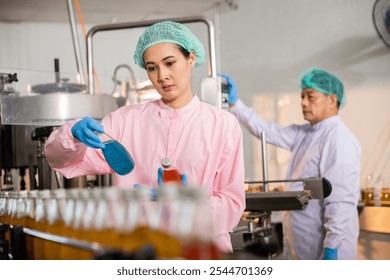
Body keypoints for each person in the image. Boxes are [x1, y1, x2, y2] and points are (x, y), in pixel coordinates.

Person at [44, 21, 245, 253]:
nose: (162, 76)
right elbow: (61, 161)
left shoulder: (222, 125)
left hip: (200, 251)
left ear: (191, 59)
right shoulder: (125, 121)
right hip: (140, 253)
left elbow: (232, 201)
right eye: (152, 68)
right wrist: (72, 135)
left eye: (170, 63)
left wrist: (186, 210)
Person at [221, 68, 361, 260]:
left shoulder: (338, 139)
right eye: (302, 96)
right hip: (304, 244)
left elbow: (341, 201)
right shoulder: (307, 133)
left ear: (332, 100)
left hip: (326, 248)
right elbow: (266, 130)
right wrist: (235, 104)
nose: (303, 102)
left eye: (310, 97)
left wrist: (333, 248)